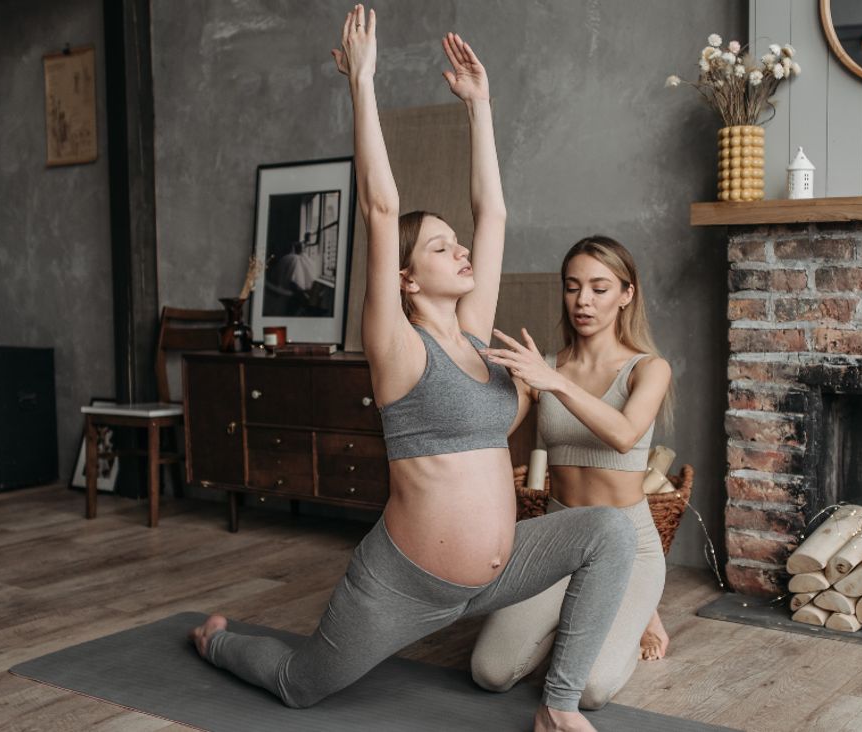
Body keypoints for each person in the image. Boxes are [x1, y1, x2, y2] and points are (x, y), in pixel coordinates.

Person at [190, 8, 635, 731]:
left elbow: (491, 215)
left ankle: (556, 709)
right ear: (403, 277)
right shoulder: (397, 346)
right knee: (301, 686)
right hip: (402, 585)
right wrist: (362, 84)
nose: (460, 252)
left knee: (608, 533)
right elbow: (378, 203)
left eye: (454, 245)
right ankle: (217, 643)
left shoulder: (470, 335)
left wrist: (479, 107)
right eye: (439, 248)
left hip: (494, 573)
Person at [472, 236, 674, 710]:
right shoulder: (540, 367)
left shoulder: (649, 368)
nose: (584, 300)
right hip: (557, 539)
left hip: (628, 545)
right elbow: (491, 431)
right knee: (490, 673)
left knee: (589, 691)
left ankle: (640, 609)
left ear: (627, 294)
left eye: (600, 288)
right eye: (573, 286)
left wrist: (556, 384)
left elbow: (624, 435)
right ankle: (582, 616)